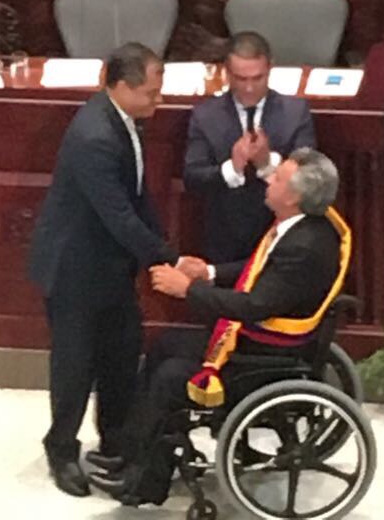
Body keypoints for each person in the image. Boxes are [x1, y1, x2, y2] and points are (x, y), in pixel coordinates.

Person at [89, 147, 350, 506]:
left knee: (170, 377)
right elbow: (261, 269)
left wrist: (188, 290)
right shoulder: (302, 228)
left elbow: (255, 305)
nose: (269, 181)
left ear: (294, 196)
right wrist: (209, 273)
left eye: (278, 178)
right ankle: (131, 454)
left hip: (266, 358)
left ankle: (145, 483)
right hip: (261, 343)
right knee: (165, 344)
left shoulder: (304, 246)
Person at [28, 42, 179, 498]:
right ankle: (61, 449)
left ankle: (116, 440)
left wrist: (164, 249)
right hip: (75, 270)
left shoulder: (125, 121)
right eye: (151, 92)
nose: (159, 100)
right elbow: (118, 215)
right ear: (122, 87)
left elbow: (139, 197)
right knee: (75, 367)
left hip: (109, 266)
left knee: (121, 354)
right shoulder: (94, 136)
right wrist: (166, 259)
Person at [184, 31, 315, 262]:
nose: (249, 88)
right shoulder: (206, 115)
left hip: (282, 236)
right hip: (224, 237)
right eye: (241, 79)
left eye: (257, 78)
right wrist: (232, 168)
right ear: (226, 73)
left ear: (270, 69)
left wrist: (268, 164)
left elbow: (310, 177)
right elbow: (193, 178)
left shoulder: (295, 113)